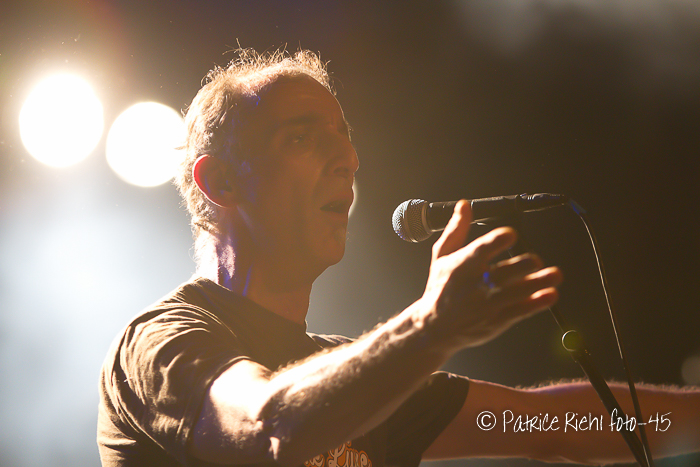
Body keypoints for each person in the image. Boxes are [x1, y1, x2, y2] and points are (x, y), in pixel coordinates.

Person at [97, 49, 700, 467]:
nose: (347, 160)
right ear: (220, 181)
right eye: (301, 137)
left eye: (344, 138)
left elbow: (541, 425)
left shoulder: (362, 378)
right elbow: (266, 425)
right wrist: (428, 327)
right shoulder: (161, 342)